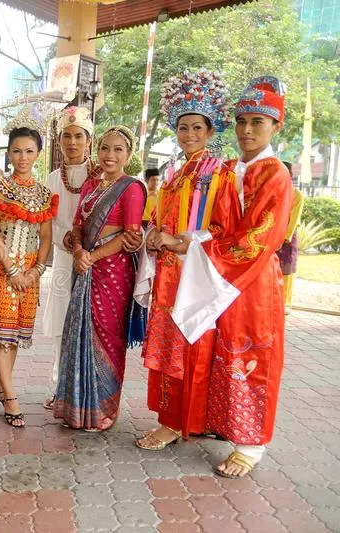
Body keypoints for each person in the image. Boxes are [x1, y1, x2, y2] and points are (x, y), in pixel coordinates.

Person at [165, 77, 293, 478]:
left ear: (276, 127)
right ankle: (224, 426)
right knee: (221, 355)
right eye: (241, 121)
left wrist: (198, 249)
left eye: (258, 121)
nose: (247, 130)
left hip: (251, 284)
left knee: (251, 357)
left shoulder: (275, 175)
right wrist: (196, 238)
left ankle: (252, 445)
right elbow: (221, 227)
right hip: (222, 277)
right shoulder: (232, 170)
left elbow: (257, 240)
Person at [135, 70, 236, 450]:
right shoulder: (175, 174)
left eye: (196, 127)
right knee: (173, 349)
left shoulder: (219, 175)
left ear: (211, 131)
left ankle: (180, 421)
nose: (189, 135)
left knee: (192, 347)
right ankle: (177, 418)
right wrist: (151, 237)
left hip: (193, 276)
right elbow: (159, 221)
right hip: (168, 275)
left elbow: (224, 230)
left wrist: (180, 242)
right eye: (182, 128)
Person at [53, 125, 146, 431]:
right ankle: (78, 408)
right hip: (85, 267)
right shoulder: (92, 185)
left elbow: (130, 235)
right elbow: (78, 224)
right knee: (80, 333)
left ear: (128, 155)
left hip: (113, 272)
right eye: (105, 148)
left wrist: (91, 256)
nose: (110, 155)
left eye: (118, 149)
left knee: (108, 337)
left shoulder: (131, 188)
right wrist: (79, 249)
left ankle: (105, 408)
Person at [0, 108, 57, 428]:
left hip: (30, 271)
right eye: (16, 151)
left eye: (29, 151)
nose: (22, 157)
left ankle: (1, 386)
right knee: (2, 334)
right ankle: (10, 397)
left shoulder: (43, 193)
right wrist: (12, 270)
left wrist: (35, 272)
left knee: (14, 336)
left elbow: (47, 238)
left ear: (38, 153)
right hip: (2, 268)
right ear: (8, 153)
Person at [42, 104, 100, 411]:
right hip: (64, 260)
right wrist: (63, 237)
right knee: (61, 324)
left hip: (95, 261)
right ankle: (59, 385)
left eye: (78, 136)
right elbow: (44, 221)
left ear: (89, 140)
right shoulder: (52, 179)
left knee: (90, 325)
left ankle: (87, 387)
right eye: (67, 136)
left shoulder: (101, 175)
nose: (72, 142)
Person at [276, 162, 303, 314]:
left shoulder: (296, 194)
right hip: (272, 236)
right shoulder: (274, 191)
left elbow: (294, 217)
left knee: (287, 269)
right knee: (275, 269)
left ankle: (286, 303)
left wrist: (284, 237)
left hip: (287, 237)